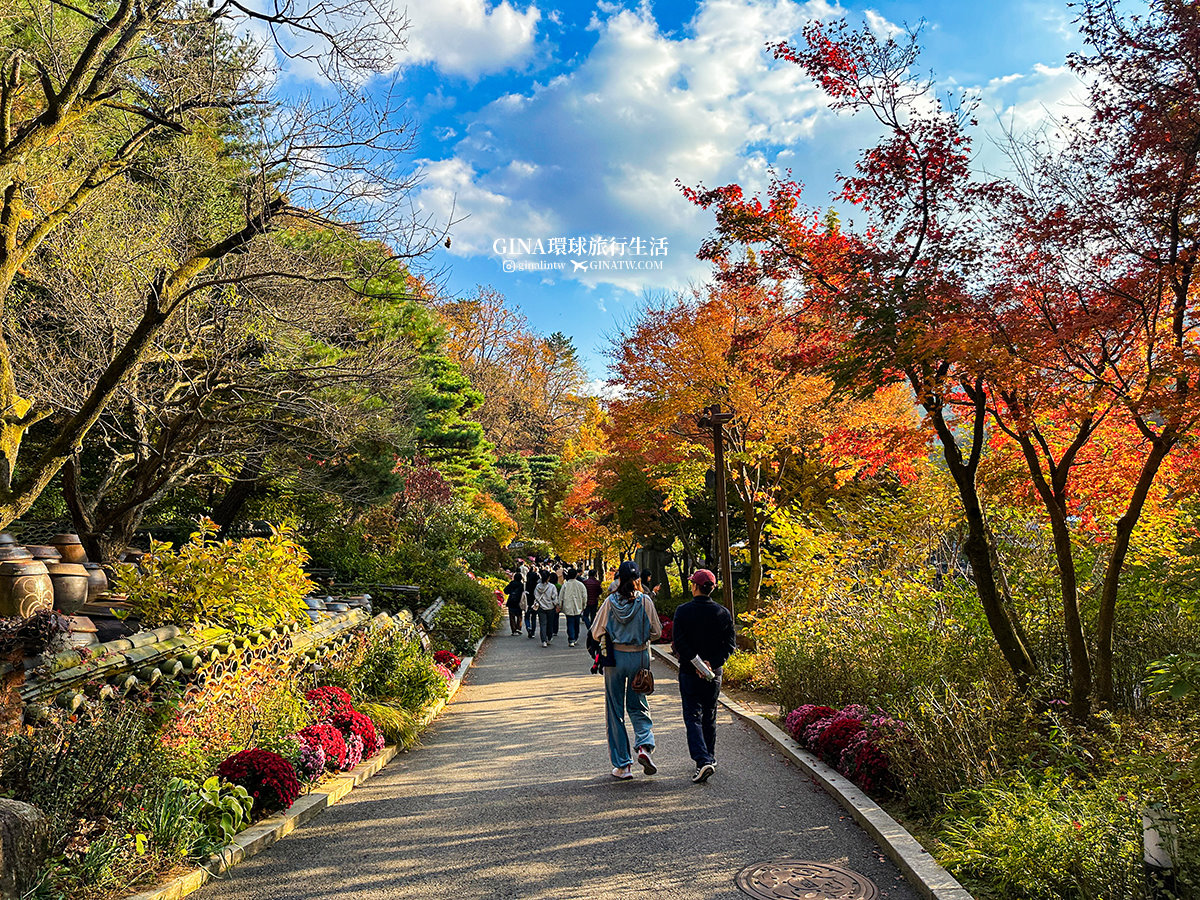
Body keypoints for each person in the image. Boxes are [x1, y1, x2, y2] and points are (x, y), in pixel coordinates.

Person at [590, 560, 662, 779]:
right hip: (639, 656)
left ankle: (623, 765)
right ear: (638, 579)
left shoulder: (610, 602)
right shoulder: (646, 601)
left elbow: (595, 632)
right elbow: (657, 632)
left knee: (615, 709)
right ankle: (643, 746)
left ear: (618, 579)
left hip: (615, 658)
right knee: (638, 704)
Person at [671, 569, 736, 783]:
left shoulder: (683, 611)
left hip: (690, 672)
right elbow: (729, 645)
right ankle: (711, 756)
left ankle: (702, 760)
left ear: (695, 587)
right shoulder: (723, 613)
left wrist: (696, 662)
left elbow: (679, 642)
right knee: (709, 714)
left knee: (692, 716)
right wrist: (711, 663)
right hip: (714, 674)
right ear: (712, 588)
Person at [559, 568, 587, 647]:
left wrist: (560, 606)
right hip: (578, 607)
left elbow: (561, 597)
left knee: (570, 623)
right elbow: (584, 596)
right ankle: (575, 637)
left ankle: (571, 639)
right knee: (576, 623)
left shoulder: (565, 585)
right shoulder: (580, 585)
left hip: (568, 607)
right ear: (576, 575)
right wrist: (584, 606)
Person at [534, 570, 560, 647]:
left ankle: (543, 640)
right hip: (550, 607)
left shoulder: (538, 586)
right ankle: (549, 637)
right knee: (550, 623)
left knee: (543, 624)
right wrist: (556, 605)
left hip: (541, 607)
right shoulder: (552, 586)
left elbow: (536, 596)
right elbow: (554, 597)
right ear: (548, 578)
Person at [504, 571, 525, 635]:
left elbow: (505, 591)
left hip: (511, 601)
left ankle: (513, 630)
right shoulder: (521, 585)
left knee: (512, 617)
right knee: (519, 616)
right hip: (519, 601)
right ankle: (519, 628)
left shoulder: (511, 584)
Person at [524, 565, 540, 638]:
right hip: (535, 603)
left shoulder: (526, 585)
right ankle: (533, 632)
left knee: (527, 617)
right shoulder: (537, 586)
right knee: (533, 617)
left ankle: (528, 627)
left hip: (527, 602)